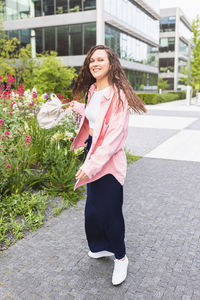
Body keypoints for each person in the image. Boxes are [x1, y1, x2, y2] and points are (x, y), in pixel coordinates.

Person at [69, 45, 146, 285]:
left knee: (110, 212)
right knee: (92, 210)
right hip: (93, 148)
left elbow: (113, 138)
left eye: (100, 59)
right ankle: (101, 246)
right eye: (92, 60)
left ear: (111, 63)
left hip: (108, 159)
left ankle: (121, 258)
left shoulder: (118, 95)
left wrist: (91, 165)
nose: (94, 63)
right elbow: (95, 116)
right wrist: (79, 108)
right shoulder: (93, 90)